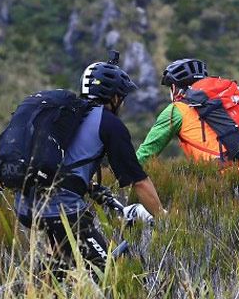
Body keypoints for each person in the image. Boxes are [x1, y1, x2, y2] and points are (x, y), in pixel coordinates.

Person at [15, 60, 166, 275]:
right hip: (61, 208)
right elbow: (139, 181)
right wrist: (162, 218)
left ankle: (40, 293)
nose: (122, 104)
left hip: (26, 202)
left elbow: (65, 164)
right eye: (122, 98)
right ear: (114, 98)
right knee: (107, 273)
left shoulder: (68, 115)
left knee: (63, 268)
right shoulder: (109, 124)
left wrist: (91, 188)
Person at [136, 58, 239, 183]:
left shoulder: (177, 110)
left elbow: (147, 152)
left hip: (226, 183)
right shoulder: (230, 97)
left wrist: (119, 175)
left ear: (174, 87)